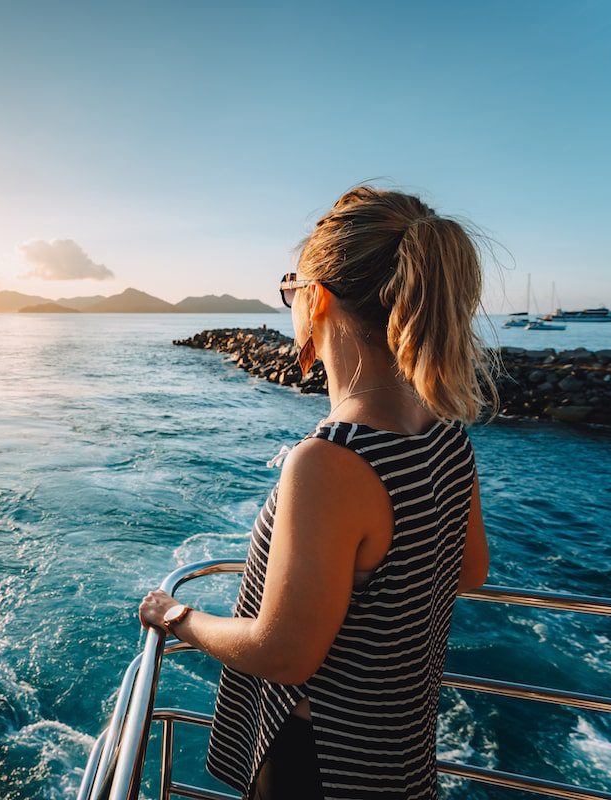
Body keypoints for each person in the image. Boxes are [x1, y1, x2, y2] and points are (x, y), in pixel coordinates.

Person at [139, 186, 494, 799]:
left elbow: (284, 654)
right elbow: (469, 572)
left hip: (322, 766)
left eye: (291, 289)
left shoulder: (333, 460)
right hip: (400, 755)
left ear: (319, 297)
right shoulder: (446, 433)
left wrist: (176, 616)